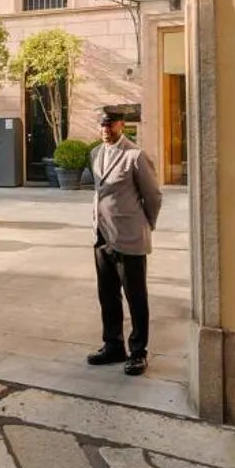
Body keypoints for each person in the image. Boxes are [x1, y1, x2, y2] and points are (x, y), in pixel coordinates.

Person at [84, 108, 162, 376]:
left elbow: (153, 196)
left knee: (135, 296)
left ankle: (138, 352)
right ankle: (113, 345)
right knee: (107, 294)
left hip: (130, 237)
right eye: (102, 125)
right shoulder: (95, 154)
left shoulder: (135, 156)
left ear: (121, 125)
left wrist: (146, 225)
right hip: (102, 236)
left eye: (110, 124)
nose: (105, 129)